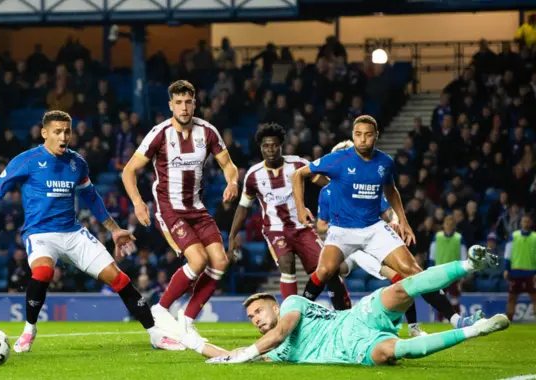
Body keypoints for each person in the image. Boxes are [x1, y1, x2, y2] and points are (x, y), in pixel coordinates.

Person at [0, 110, 183, 352]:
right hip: (40, 234)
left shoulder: (77, 162)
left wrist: (115, 230)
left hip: (73, 233)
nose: (64, 137)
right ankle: (29, 329)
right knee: (43, 272)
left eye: (67, 131)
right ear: (44, 133)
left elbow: (91, 196)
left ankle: (154, 334)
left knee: (119, 279)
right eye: (57, 132)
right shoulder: (26, 160)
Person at [292, 115, 480, 329]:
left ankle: (456, 320)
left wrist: (403, 220)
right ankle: (297, 316)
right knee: (325, 270)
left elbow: (391, 190)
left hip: (373, 229)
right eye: (358, 135)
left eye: (368, 135)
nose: (362, 140)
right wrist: (300, 207)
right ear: (353, 136)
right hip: (342, 231)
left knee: (413, 272)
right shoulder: (338, 160)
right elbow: (299, 174)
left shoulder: (385, 162)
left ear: (376, 136)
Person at [181, 246, 509, 366]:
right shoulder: (270, 353)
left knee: (401, 288)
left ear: (276, 306)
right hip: (353, 348)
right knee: (398, 352)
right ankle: (474, 329)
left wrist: (248, 354)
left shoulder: (292, 303)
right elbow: (233, 354)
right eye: (250, 316)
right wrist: (193, 343)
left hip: (355, 317)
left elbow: (278, 335)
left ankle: (467, 265)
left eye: (258, 311)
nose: (254, 318)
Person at [122, 80, 239, 340]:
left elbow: (229, 165)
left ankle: (186, 321)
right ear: (170, 105)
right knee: (198, 260)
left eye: (188, 102)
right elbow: (129, 171)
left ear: (194, 103)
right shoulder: (159, 133)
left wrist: (232, 181)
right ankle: (161, 309)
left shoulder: (207, 131)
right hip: (170, 208)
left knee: (220, 261)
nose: (184, 108)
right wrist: (139, 203)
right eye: (178, 103)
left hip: (196, 208)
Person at [228, 122, 350, 308]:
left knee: (329, 270)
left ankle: (344, 312)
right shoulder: (253, 175)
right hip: (275, 230)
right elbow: (244, 206)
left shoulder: (298, 164)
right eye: (266, 146)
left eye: (274, 145)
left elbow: (323, 182)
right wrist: (233, 234)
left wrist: (345, 191)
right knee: (287, 265)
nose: (270, 150)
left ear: (281, 145)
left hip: (302, 228)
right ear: (261, 147)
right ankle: (291, 315)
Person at [317, 140, 426, 337]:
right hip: (346, 247)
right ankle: (343, 321)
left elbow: (388, 210)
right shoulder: (327, 193)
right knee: (329, 272)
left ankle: (413, 327)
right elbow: (321, 224)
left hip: (369, 245)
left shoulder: (367, 188)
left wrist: (394, 220)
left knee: (399, 277)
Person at [504, 214, 536, 321]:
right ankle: (508, 320)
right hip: (515, 271)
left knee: (534, 297)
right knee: (512, 298)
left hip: (530, 272)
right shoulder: (514, 236)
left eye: (527, 221)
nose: (526, 223)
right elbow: (507, 254)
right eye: (524, 221)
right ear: (521, 223)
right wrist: (506, 268)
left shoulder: (535, 237)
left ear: (531, 223)